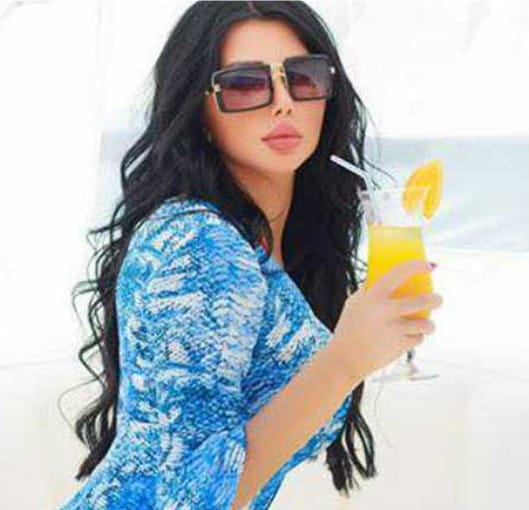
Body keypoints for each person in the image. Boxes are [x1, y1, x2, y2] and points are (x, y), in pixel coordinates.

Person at [60, 2, 444, 509]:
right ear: (198, 109)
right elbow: (190, 497)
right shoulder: (199, 246)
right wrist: (345, 360)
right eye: (245, 84)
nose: (283, 103)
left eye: (303, 78)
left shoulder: (267, 242)